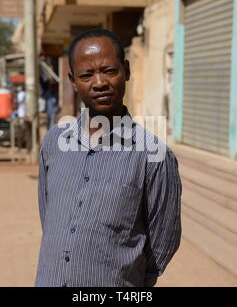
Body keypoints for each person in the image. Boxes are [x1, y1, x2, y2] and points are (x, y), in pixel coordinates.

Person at [34, 28, 182, 287]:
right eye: (87, 75)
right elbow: (48, 216)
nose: (100, 82)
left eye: (109, 71)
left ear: (126, 70)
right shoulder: (54, 142)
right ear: (73, 80)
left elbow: (163, 241)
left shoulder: (153, 155)